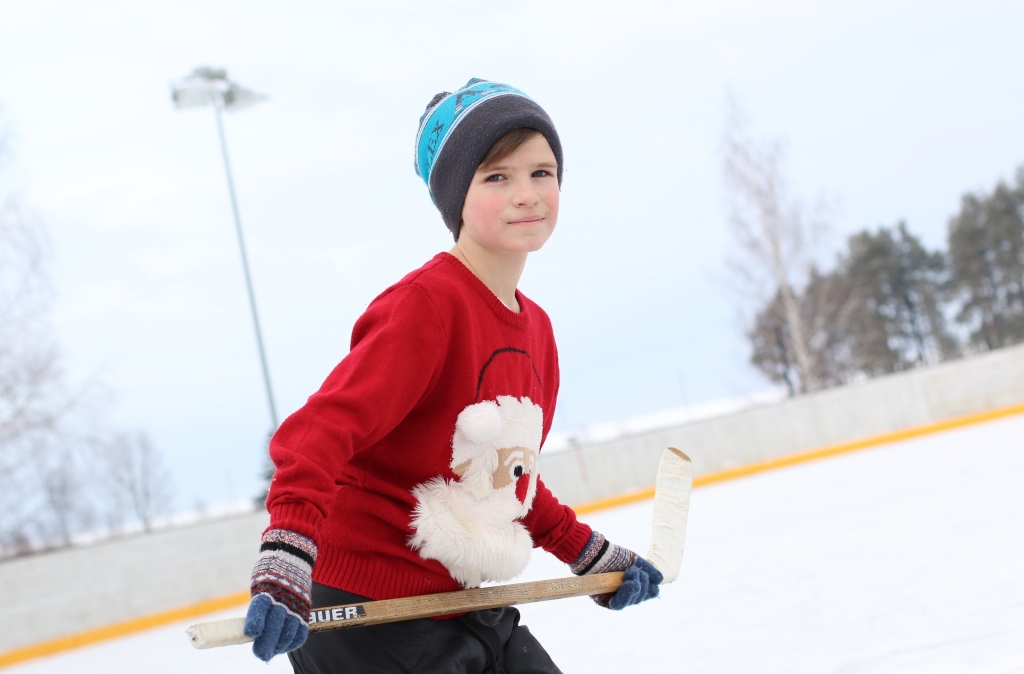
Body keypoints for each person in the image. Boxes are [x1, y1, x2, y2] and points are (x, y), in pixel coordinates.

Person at [244, 78, 662, 674]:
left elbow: (499, 483)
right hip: (368, 608)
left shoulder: (537, 332)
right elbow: (317, 432)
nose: (528, 194)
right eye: (498, 176)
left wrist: (587, 552)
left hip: (459, 598)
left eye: (543, 172)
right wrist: (287, 552)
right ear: (455, 198)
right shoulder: (426, 306)